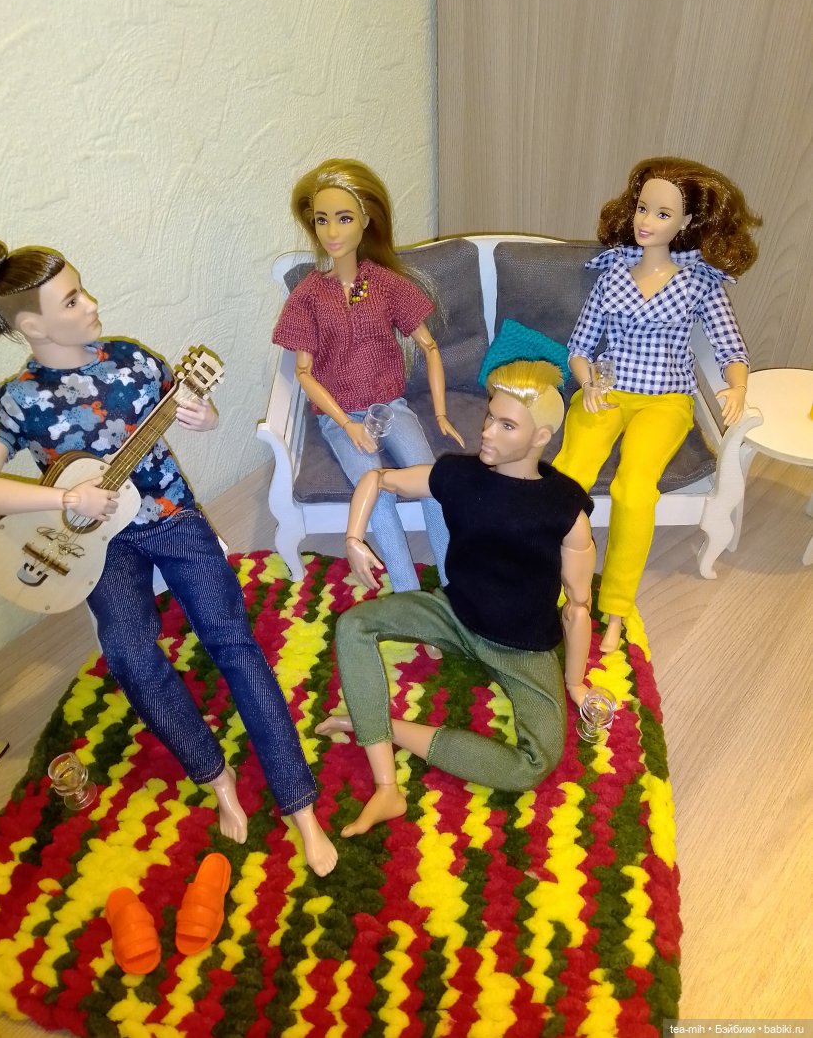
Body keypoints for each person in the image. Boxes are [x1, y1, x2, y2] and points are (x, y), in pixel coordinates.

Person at [0, 240, 337, 876]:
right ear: (32, 325)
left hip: (173, 519)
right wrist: (64, 497)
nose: (91, 304)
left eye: (83, 290)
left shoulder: (134, 362)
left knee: (233, 640)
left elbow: (202, 415)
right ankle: (215, 776)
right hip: (98, 546)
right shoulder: (20, 400)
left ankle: (299, 801)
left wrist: (202, 413)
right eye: (72, 300)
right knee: (128, 652)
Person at [315, 360, 595, 837]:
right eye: (490, 416)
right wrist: (353, 537)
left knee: (533, 766)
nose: (486, 431)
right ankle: (386, 787)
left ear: (541, 436)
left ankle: (378, 725)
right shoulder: (461, 476)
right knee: (354, 624)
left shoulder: (565, 508)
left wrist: (573, 682)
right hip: (454, 612)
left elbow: (578, 606)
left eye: (506, 425)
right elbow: (378, 479)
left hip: (524, 646)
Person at [552, 156, 761, 653]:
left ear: (686, 222)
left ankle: (616, 607)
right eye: (643, 208)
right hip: (607, 391)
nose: (646, 221)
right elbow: (579, 346)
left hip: (666, 400)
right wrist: (588, 382)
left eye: (662, 214)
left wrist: (737, 388)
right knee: (566, 477)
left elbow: (730, 348)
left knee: (634, 488)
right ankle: (550, 581)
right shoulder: (611, 274)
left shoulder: (700, 282)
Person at [272, 158, 464, 594]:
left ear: (366, 220)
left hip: (390, 407)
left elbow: (429, 346)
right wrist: (346, 424)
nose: (332, 232)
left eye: (343, 218)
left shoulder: (386, 284)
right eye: (322, 220)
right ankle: (408, 594)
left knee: (433, 484)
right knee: (378, 498)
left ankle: (456, 586)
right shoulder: (307, 297)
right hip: (339, 416)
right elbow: (303, 372)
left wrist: (440, 414)